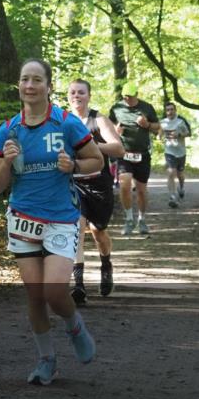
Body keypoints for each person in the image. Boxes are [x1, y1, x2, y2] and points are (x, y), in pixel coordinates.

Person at [0, 60, 104, 385]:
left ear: (48, 86)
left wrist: (74, 167)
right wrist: (7, 163)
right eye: (25, 79)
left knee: (54, 291)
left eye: (37, 80)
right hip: (23, 218)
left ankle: (74, 327)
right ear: (19, 85)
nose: (30, 85)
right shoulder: (8, 130)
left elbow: (96, 159)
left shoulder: (67, 124)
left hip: (61, 218)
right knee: (35, 295)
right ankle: (46, 359)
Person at [66, 79, 125, 305]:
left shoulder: (98, 120)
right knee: (77, 229)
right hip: (75, 184)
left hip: (99, 185)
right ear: (68, 96)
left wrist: (90, 146)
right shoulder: (63, 121)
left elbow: (119, 149)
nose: (77, 96)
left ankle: (106, 262)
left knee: (98, 232)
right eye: (73, 92)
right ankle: (79, 285)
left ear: (89, 95)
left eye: (81, 92)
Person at [109, 82, 160, 235]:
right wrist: (115, 131)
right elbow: (108, 128)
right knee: (124, 185)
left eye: (130, 97)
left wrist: (147, 124)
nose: (127, 99)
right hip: (124, 154)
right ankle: (129, 219)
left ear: (136, 95)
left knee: (141, 191)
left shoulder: (146, 107)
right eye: (125, 96)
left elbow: (157, 127)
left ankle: (142, 220)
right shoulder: (116, 108)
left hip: (143, 154)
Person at [159, 101, 191, 209]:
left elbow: (188, 133)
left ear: (175, 110)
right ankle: (172, 196)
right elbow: (159, 135)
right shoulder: (163, 122)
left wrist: (180, 134)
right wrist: (160, 138)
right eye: (168, 110)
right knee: (171, 172)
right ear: (165, 111)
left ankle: (181, 187)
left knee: (180, 174)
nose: (170, 112)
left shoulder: (181, 122)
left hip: (181, 152)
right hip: (169, 152)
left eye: (172, 109)